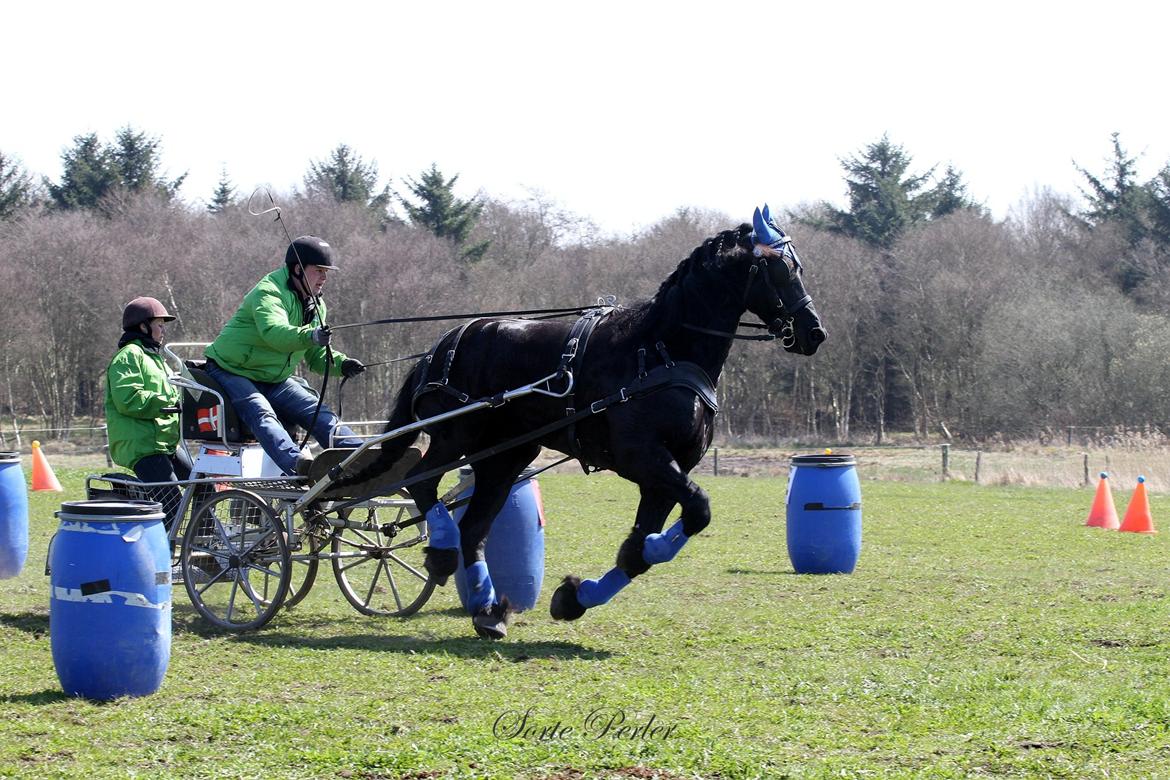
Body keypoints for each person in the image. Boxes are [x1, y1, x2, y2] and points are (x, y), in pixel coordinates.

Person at [204, 235, 366, 476]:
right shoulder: (268, 291)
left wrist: (342, 364)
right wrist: (311, 335)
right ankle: (297, 465)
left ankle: (363, 457)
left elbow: (314, 357)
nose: (324, 277)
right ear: (298, 269)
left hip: (273, 377)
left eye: (326, 272)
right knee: (261, 412)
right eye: (319, 270)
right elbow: (274, 333)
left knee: (317, 411)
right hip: (232, 369)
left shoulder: (316, 305)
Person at [104, 296, 192, 529]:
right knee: (173, 504)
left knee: (203, 485)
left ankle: (206, 543)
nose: (163, 331)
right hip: (143, 446)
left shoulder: (155, 358)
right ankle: (164, 561)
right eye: (159, 325)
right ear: (143, 326)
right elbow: (128, 399)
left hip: (164, 443)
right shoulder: (129, 356)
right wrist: (168, 401)